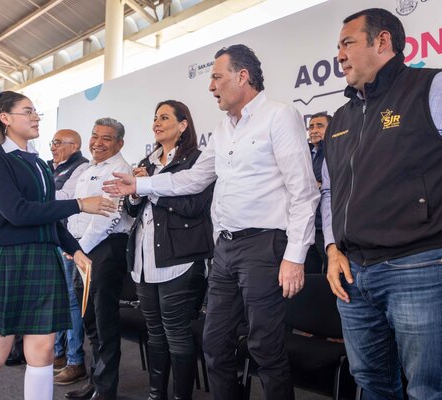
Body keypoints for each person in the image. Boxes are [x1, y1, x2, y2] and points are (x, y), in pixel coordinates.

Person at [103, 44, 320, 400]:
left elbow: (304, 191)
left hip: (265, 246)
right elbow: (192, 179)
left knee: (265, 347)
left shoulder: (279, 116)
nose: (211, 86)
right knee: (215, 343)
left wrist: (295, 257)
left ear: (242, 76)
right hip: (225, 250)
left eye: (217, 77)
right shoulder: (222, 130)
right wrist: (140, 185)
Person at [321, 8, 442, 399]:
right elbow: (329, 191)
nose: (339, 55)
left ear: (382, 42)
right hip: (353, 275)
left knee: (430, 391)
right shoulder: (340, 118)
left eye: (347, 43)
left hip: (422, 266)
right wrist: (331, 248)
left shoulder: (437, 88)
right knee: (371, 383)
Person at [0, 90, 115, 400]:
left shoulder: (38, 162)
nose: (36, 117)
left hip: (42, 258)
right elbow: (18, 212)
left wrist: (76, 250)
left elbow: (48, 216)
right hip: (6, 260)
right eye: (28, 111)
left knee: (43, 352)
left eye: (36, 111)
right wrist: (79, 204)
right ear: (5, 118)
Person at [123, 100, 213, 400]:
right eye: (155, 118)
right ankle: (155, 395)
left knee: (177, 334)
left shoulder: (197, 159)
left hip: (180, 261)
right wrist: (135, 193)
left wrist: (148, 188)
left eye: (164, 117)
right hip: (144, 260)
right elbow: (131, 208)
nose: (156, 123)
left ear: (183, 124)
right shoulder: (147, 162)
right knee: (155, 333)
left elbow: (194, 206)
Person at [64, 118, 133, 400]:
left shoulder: (120, 169)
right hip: (83, 250)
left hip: (105, 249)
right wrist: (74, 245)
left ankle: (105, 390)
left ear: (119, 143)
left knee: (105, 322)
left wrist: (79, 249)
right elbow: (77, 213)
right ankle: (95, 382)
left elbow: (108, 215)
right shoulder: (88, 170)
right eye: (95, 136)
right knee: (90, 319)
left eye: (106, 138)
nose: (98, 143)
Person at [49, 128, 90, 385]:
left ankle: (75, 361)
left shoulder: (82, 167)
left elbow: (66, 198)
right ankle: (58, 353)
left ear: (74, 146)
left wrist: (39, 196)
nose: (53, 147)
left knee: (72, 302)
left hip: (70, 241)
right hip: (53, 237)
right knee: (58, 299)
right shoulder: (52, 168)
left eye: (57, 142)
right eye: (52, 143)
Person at [304, 112, 331, 273]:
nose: (314, 130)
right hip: (307, 226)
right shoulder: (305, 153)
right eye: (311, 127)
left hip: (326, 227)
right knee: (308, 275)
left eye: (319, 126)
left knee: (332, 273)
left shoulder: (333, 151)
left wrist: (316, 184)